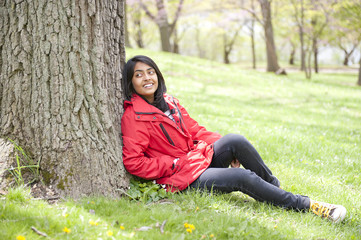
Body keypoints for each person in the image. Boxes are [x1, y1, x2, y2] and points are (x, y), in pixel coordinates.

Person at [121, 55, 346, 223]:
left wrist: (224, 148)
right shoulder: (135, 116)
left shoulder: (170, 102)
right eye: (138, 75)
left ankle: (272, 189)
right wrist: (173, 164)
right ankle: (308, 205)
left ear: (158, 75)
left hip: (195, 161)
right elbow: (134, 162)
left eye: (150, 72)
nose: (147, 78)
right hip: (181, 178)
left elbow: (196, 131)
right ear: (131, 83)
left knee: (235, 140)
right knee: (240, 176)